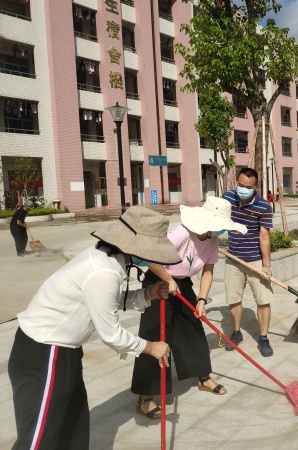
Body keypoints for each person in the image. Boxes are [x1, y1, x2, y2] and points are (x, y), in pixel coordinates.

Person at [8, 206, 178, 450]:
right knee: (40, 438)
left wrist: (147, 293)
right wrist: (151, 347)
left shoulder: (105, 258)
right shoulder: (103, 270)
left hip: (63, 351)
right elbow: (111, 334)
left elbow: (106, 301)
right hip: (44, 353)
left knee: (72, 426)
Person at [131, 198, 247, 418]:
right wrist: (167, 279)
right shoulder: (181, 234)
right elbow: (150, 257)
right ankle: (145, 397)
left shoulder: (212, 240)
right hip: (158, 283)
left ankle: (203, 377)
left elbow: (208, 272)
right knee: (155, 337)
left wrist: (201, 300)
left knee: (193, 330)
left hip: (182, 285)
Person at [222, 168, 275, 357]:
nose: (243, 189)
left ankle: (263, 337)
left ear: (256, 187)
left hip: (255, 261)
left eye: (248, 187)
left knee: (263, 300)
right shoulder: (228, 198)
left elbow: (264, 237)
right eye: (240, 185)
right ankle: (236, 332)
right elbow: (217, 218)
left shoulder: (264, 206)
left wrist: (266, 266)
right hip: (233, 259)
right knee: (233, 298)